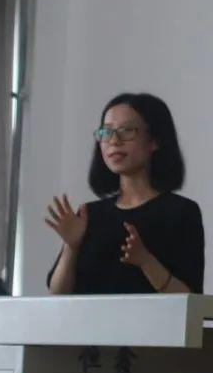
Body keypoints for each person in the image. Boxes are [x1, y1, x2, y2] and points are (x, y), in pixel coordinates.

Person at [45, 92, 204, 294]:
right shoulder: (89, 215)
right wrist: (71, 246)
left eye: (127, 130)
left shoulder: (181, 212)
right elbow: (57, 295)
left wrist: (145, 261)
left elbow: (190, 298)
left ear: (155, 140)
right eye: (106, 132)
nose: (114, 140)